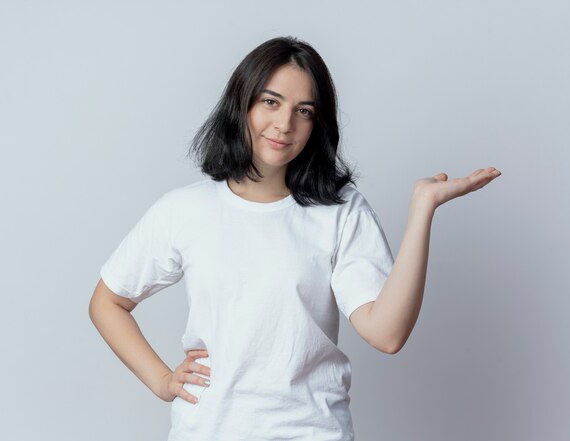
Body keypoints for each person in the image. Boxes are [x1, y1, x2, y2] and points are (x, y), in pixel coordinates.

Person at [88, 36, 501, 440]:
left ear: (316, 124)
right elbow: (107, 302)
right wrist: (162, 380)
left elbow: (387, 333)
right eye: (270, 102)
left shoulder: (340, 211)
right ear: (242, 104)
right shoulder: (184, 210)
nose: (284, 124)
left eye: (304, 111)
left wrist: (422, 209)